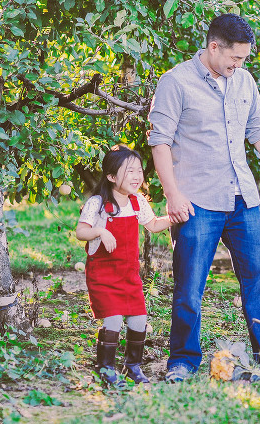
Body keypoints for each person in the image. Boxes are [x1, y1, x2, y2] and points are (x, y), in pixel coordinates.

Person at [148, 13, 260, 382]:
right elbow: (160, 141)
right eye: (235, 58)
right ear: (213, 46)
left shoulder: (244, 81)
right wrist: (172, 194)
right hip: (196, 200)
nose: (240, 65)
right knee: (189, 285)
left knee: (258, 279)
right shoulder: (176, 82)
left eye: (245, 59)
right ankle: (183, 362)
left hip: (243, 198)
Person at [75, 145, 171, 385]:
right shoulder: (97, 203)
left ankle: (133, 366)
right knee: (114, 319)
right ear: (111, 176)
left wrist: (174, 218)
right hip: (104, 275)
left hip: (129, 275)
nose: (137, 176)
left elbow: (154, 225)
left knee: (139, 318)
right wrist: (100, 231)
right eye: (129, 171)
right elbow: (81, 231)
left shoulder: (137, 202)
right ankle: (105, 367)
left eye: (139, 171)